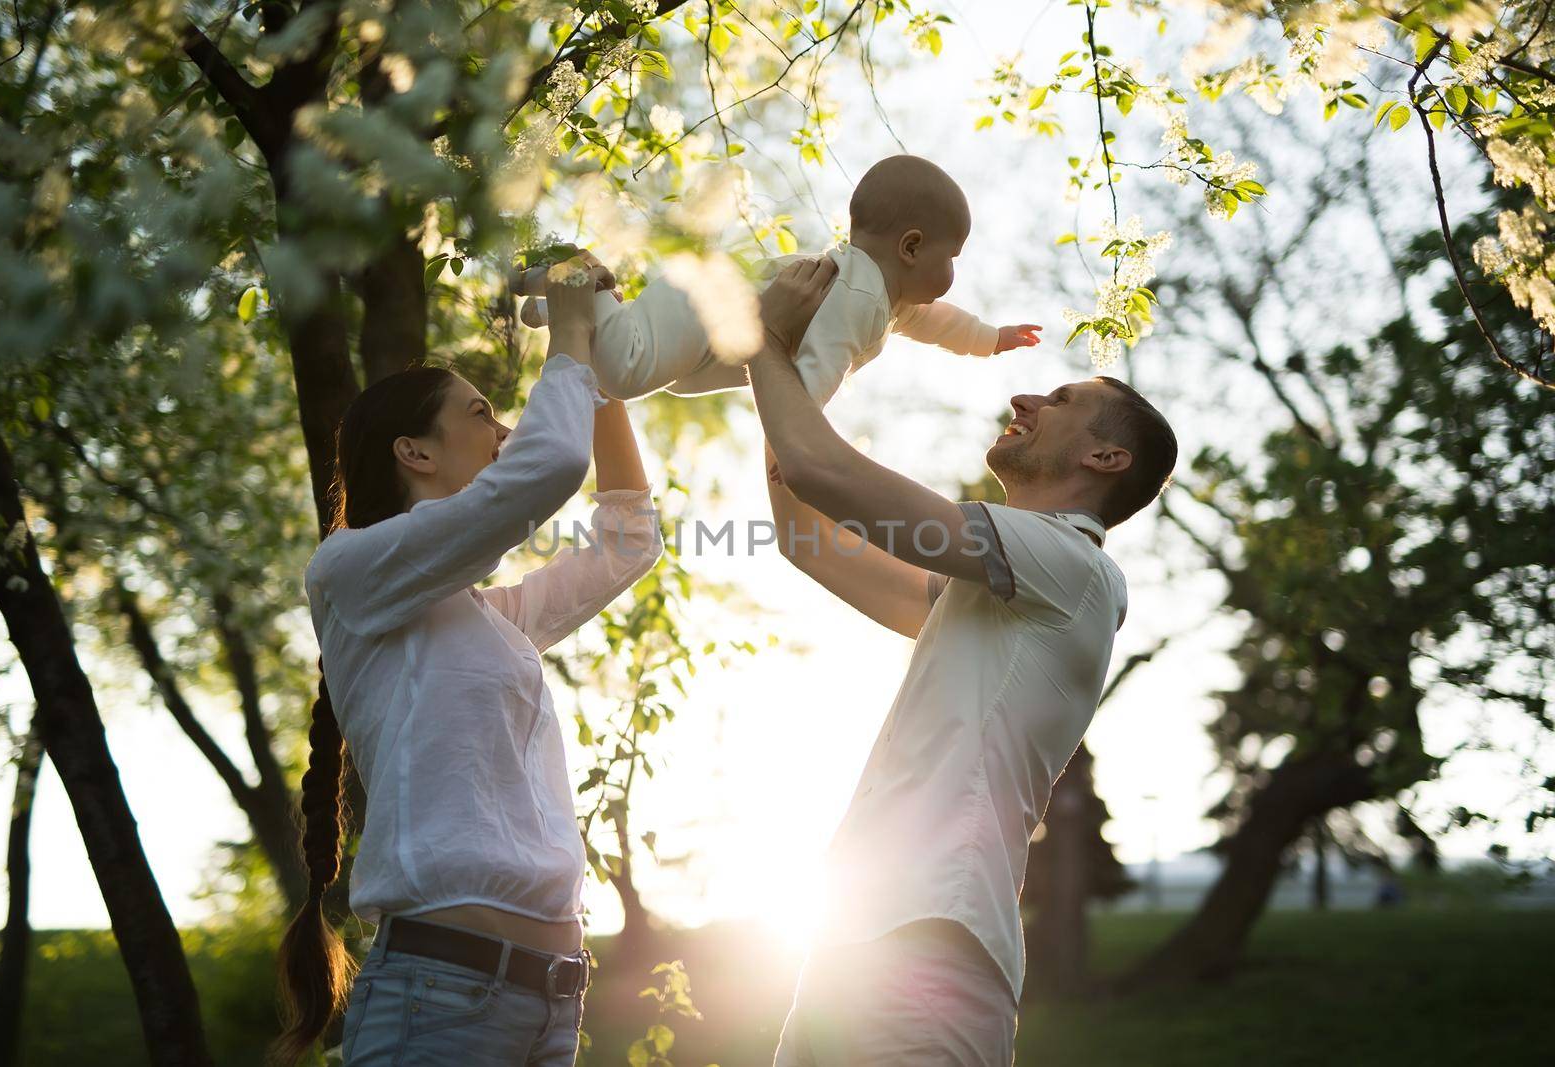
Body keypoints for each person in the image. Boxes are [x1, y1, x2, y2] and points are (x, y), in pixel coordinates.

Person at [750, 258, 1178, 1065]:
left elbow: (819, 470)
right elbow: (805, 531)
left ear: (1107, 461)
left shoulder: (1074, 568)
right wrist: (802, 360)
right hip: (849, 952)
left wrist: (763, 338)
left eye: (1061, 402)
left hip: (929, 953)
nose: (1024, 398)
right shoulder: (982, 593)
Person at [270, 262, 663, 1067]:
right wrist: (569, 335)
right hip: (439, 998)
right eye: (482, 412)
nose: (505, 430)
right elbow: (548, 467)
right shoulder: (348, 571)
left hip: (552, 1001)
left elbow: (629, 540)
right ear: (413, 450)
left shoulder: (495, 620)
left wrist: (605, 368)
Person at [514, 155, 1041, 404]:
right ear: (911, 247)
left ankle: (566, 306)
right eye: (954, 256)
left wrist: (989, 338)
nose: (954, 274)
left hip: (713, 337)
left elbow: (936, 322)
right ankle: (572, 279)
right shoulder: (859, 296)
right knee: (623, 376)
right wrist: (798, 446)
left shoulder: (891, 300)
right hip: (706, 308)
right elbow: (818, 372)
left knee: (609, 377)